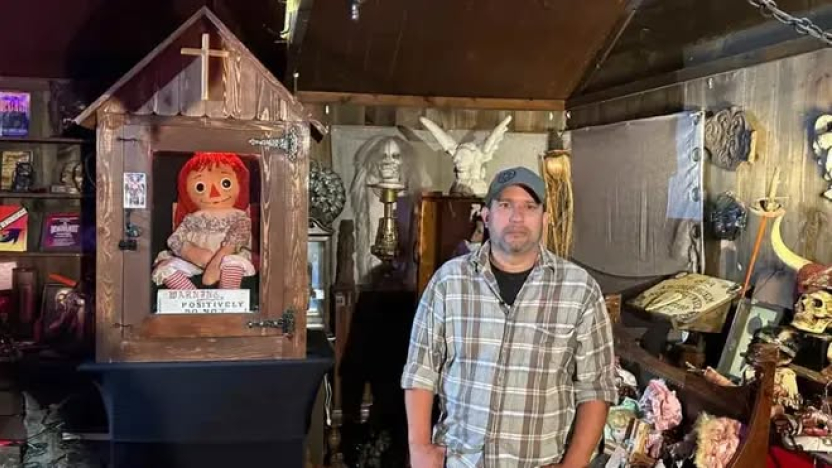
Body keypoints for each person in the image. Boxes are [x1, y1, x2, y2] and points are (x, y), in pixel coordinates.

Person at [401, 166, 617, 468]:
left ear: (544, 218)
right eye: (506, 205)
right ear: (486, 217)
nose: (517, 217)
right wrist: (420, 449)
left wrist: (573, 464)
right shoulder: (449, 282)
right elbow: (420, 371)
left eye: (529, 207)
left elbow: (596, 387)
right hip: (461, 460)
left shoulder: (579, 290)